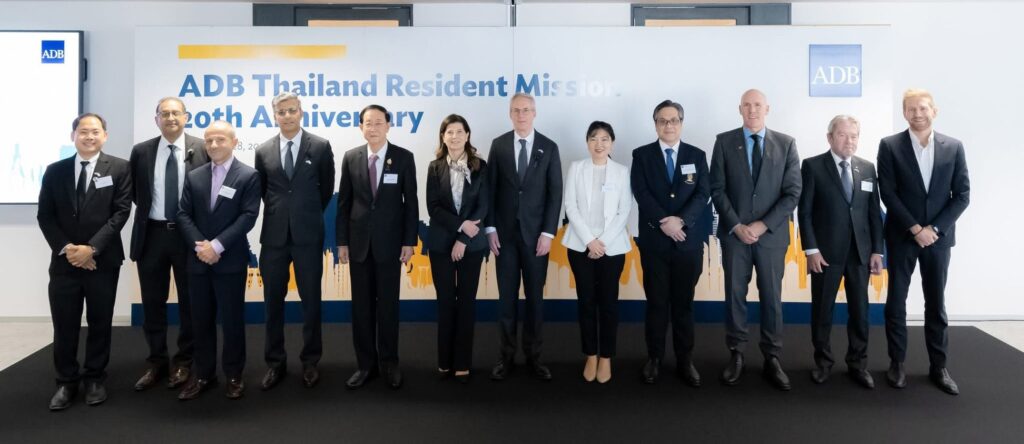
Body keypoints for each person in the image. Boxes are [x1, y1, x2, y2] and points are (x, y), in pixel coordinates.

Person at [877, 89, 970, 395]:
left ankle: (939, 367)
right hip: (902, 236)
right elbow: (888, 193)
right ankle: (896, 363)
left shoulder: (953, 147)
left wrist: (935, 229)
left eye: (923, 108)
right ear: (904, 113)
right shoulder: (890, 146)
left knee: (936, 303)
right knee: (896, 302)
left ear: (934, 111)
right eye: (911, 109)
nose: (917, 114)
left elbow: (962, 195)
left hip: (938, 241)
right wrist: (916, 228)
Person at [37, 113, 132, 410]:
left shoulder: (120, 168)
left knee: (100, 322)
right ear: (73, 136)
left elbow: (121, 212)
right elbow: (45, 216)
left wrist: (91, 249)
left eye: (95, 132)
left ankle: (94, 378)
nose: (89, 137)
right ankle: (66, 382)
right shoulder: (55, 171)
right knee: (64, 324)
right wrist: (70, 249)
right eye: (83, 132)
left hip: (103, 261)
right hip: (64, 263)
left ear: (105, 135)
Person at [710, 89, 801, 391]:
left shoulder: (786, 144)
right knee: (734, 295)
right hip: (735, 236)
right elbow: (717, 189)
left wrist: (763, 224)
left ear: (767, 109)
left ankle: (772, 356)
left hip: (771, 236)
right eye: (747, 105)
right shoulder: (724, 142)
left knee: (772, 297)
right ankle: (736, 353)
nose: (752, 110)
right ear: (740, 109)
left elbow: (792, 193)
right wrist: (736, 225)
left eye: (758, 105)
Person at [254, 92, 335, 390]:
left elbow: (326, 189)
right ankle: (275, 363)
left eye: (292, 110)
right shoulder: (263, 150)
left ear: (301, 112)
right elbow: (263, 191)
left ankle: (310, 361)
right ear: (274, 115)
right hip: (274, 238)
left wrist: (303, 214)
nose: (287, 116)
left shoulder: (321, 146)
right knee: (272, 303)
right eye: (281, 111)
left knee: (311, 302)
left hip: (308, 236)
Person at [175, 121, 261, 401]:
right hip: (198, 260)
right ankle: (204, 375)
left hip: (230, 260)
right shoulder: (194, 176)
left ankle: (234, 375)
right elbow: (183, 214)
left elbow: (248, 216)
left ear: (234, 142)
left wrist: (217, 245)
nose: (213, 145)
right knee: (200, 321)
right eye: (209, 140)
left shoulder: (248, 175)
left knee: (232, 321)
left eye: (220, 140)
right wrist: (201, 246)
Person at [128, 97, 209, 392]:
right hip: (152, 235)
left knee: (189, 302)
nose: (171, 118)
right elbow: (137, 193)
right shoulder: (141, 151)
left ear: (186, 117)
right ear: (156, 119)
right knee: (153, 302)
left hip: (188, 236)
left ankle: (184, 361)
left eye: (176, 113)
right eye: (165, 113)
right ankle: (156, 362)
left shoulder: (203, 148)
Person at [336, 104, 419, 390]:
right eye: (367, 123)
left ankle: (389, 363)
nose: (373, 128)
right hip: (358, 245)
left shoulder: (404, 157)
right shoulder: (351, 157)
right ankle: (365, 365)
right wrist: (342, 242)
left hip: (390, 245)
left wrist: (409, 241)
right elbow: (344, 204)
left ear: (388, 125)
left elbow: (411, 204)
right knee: (361, 309)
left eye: (378, 122)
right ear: (361, 127)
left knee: (388, 308)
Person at [798, 115, 883, 389]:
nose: (849, 141)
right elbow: (805, 212)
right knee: (823, 311)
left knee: (860, 312)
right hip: (825, 254)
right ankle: (823, 363)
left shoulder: (867, 168)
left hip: (860, 254)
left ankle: (858, 364)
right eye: (843, 135)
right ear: (830, 137)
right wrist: (811, 249)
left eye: (854, 136)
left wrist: (877, 251)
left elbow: (874, 214)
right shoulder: (812, 166)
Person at [631, 101, 710, 386]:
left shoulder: (697, 155)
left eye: (674, 120)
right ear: (655, 124)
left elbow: (703, 193)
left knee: (683, 304)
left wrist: (682, 221)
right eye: (662, 120)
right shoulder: (641, 155)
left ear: (681, 123)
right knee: (656, 303)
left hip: (687, 244)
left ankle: (685, 360)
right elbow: (641, 192)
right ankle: (654, 358)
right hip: (655, 243)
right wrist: (665, 221)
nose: (668, 125)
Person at [485, 93, 563, 381]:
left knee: (534, 301)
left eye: (526, 110)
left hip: (536, 239)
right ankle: (505, 357)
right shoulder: (499, 145)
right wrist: (490, 228)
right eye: (516, 110)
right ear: (510, 113)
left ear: (534, 113)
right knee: (506, 301)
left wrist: (548, 233)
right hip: (504, 238)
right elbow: (490, 189)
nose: (521, 115)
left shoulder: (549, 147)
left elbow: (555, 193)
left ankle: (534, 357)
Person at [563, 121, 632, 384]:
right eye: (594, 138)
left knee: (609, 304)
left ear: (612, 143)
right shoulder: (576, 168)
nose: (599, 144)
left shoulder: (621, 172)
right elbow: (570, 206)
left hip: (612, 248)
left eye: (604, 139)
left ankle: (606, 357)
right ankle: (591, 354)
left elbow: (624, 210)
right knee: (586, 302)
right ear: (587, 142)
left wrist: (601, 242)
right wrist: (590, 240)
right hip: (580, 245)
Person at [425, 114, 489, 384]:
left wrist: (463, 239)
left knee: (466, 303)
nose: (454, 136)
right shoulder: (434, 167)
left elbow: (483, 205)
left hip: (471, 245)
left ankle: (462, 362)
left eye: (459, 131)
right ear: (443, 136)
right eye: (449, 132)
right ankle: (444, 361)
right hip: (441, 244)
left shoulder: (480, 166)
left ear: (467, 135)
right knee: (445, 302)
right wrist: (460, 225)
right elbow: (433, 207)